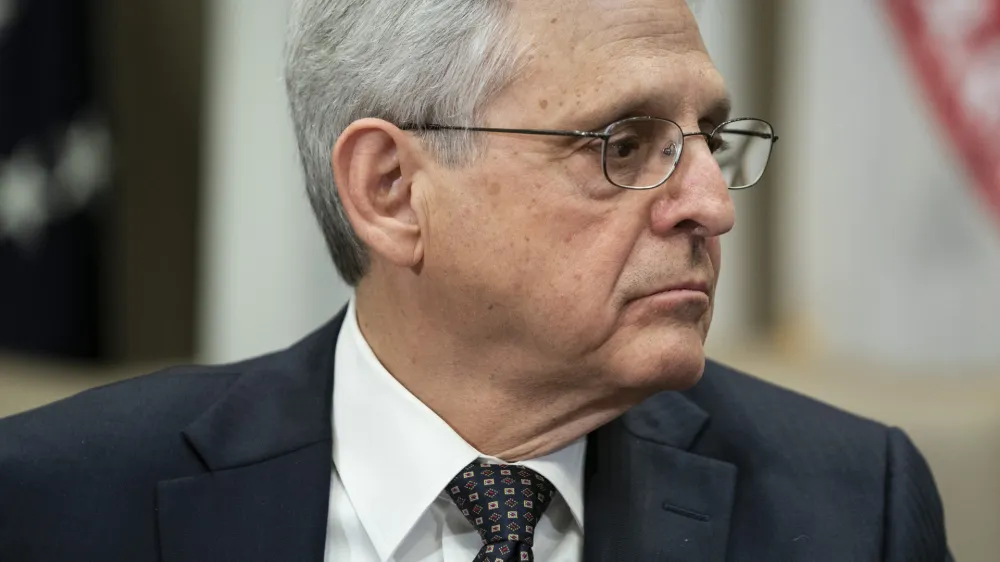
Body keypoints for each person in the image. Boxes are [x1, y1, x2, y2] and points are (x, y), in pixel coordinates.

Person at [0, 0, 951, 560]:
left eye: (709, 138)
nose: (710, 203)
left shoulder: (849, 511)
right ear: (393, 191)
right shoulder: (56, 502)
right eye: (625, 143)